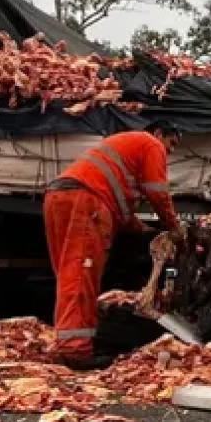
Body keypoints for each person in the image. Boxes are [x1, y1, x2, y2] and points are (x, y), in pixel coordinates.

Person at [43, 121, 185, 369]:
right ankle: (76, 351)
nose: (169, 151)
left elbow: (124, 213)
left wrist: (146, 231)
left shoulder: (126, 150)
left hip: (60, 197)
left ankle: (68, 343)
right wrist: (173, 227)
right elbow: (158, 193)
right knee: (80, 276)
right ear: (159, 133)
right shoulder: (151, 143)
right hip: (87, 202)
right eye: (171, 143)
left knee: (69, 273)